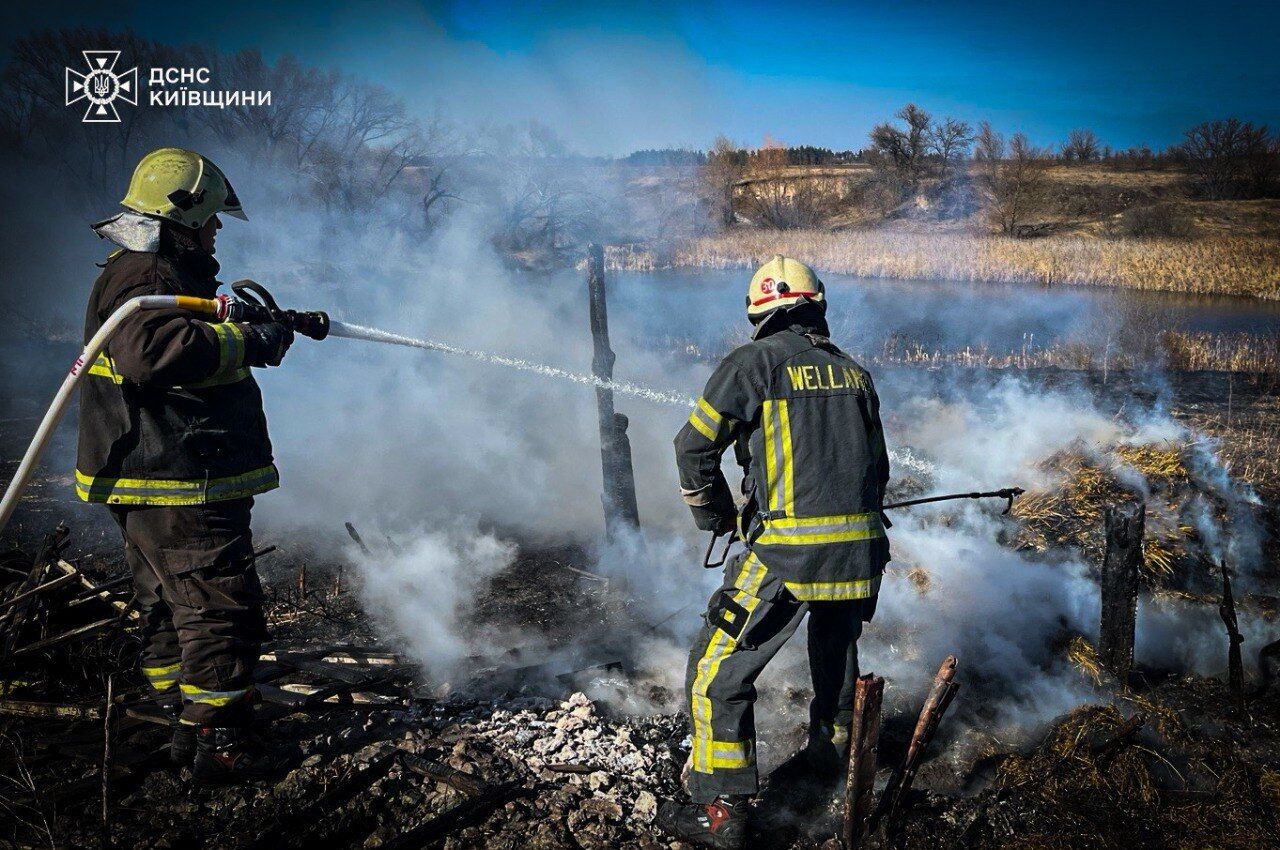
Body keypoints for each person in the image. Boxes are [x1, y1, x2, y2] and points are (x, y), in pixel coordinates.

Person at [657, 256, 891, 848]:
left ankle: (721, 811)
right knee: (835, 652)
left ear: (758, 314)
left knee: (714, 671)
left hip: (787, 553)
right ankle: (830, 760)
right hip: (859, 553)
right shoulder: (855, 373)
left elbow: (693, 449)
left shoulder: (753, 364)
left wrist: (716, 517)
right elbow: (878, 469)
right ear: (818, 307)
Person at [78, 147, 295, 783]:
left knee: (170, 609)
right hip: (180, 478)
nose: (218, 229)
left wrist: (251, 326)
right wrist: (250, 342)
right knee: (218, 611)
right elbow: (151, 355)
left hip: (156, 477)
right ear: (181, 218)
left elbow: (167, 340)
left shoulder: (144, 267)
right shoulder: (146, 274)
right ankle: (222, 749)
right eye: (210, 219)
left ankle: (181, 725)